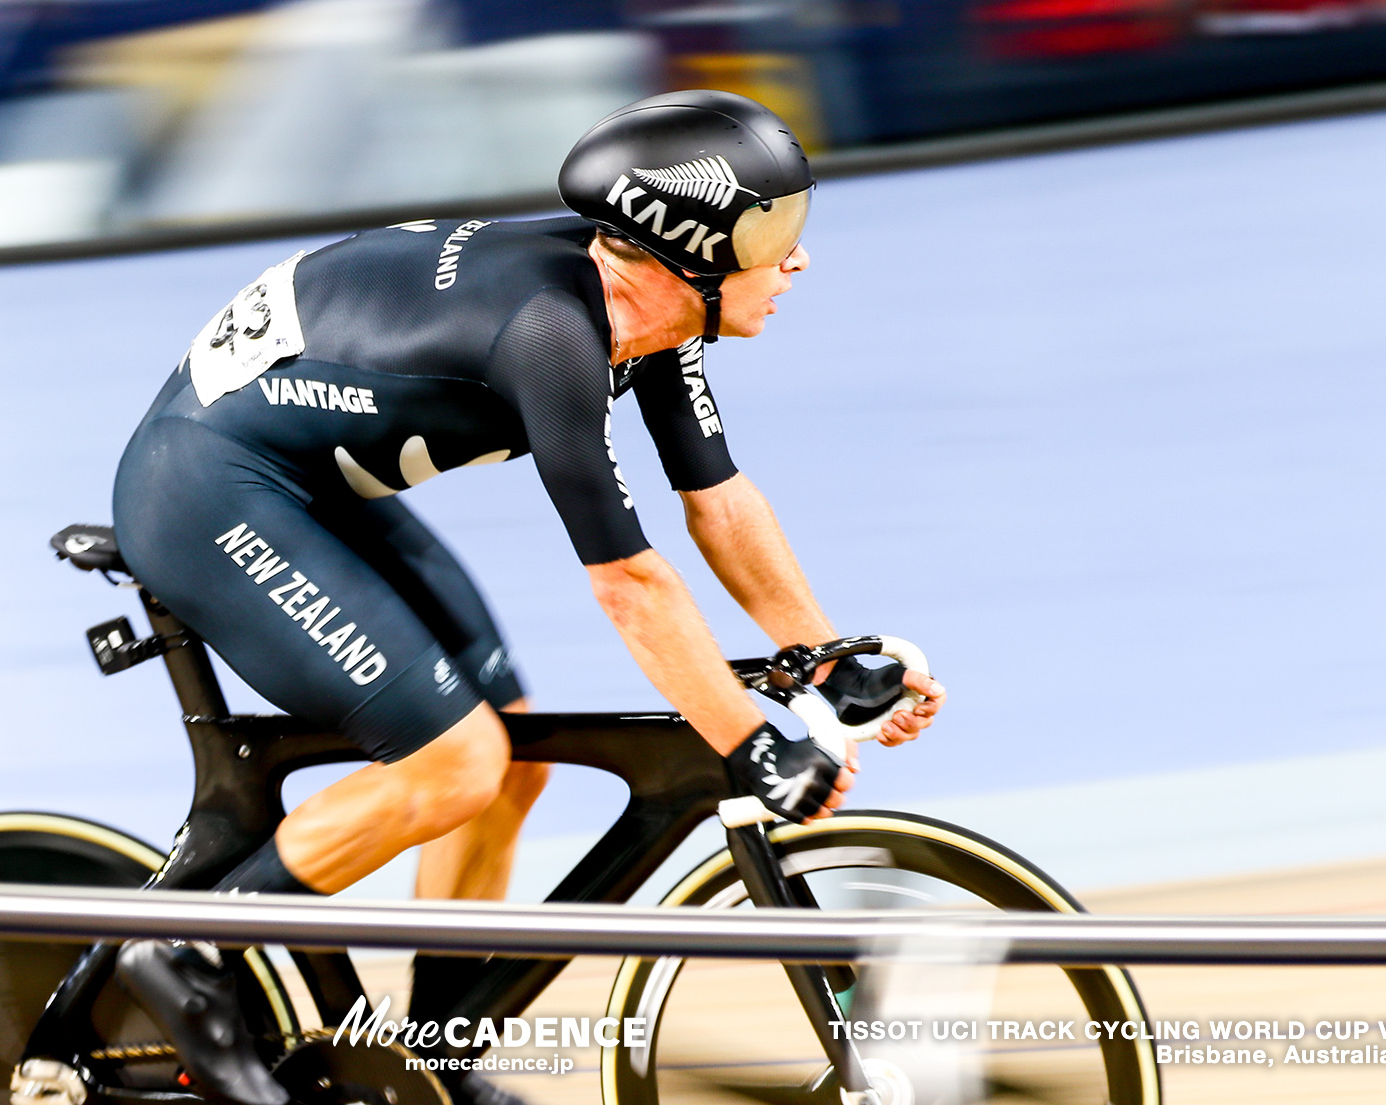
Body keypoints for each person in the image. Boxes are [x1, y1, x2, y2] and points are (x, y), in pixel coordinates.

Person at [106, 91, 944, 1105]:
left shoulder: (652, 306)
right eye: (772, 230)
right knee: (455, 763)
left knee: (511, 763)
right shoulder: (551, 332)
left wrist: (822, 655)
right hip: (207, 489)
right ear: (685, 246)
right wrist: (749, 745)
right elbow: (630, 584)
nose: (797, 257)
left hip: (307, 485)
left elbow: (718, 502)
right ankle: (187, 950)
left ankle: (431, 1056)